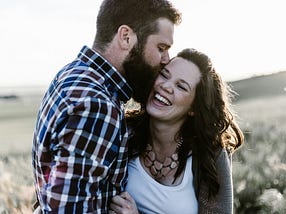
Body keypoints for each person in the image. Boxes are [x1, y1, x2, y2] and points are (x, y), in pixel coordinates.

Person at [32, 0, 181, 212]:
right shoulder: (97, 105)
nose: (166, 59)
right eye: (161, 48)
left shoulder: (72, 73)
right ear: (126, 37)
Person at [109, 48, 244, 214]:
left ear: (193, 108)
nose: (166, 86)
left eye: (181, 86)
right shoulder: (123, 131)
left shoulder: (210, 154)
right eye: (164, 75)